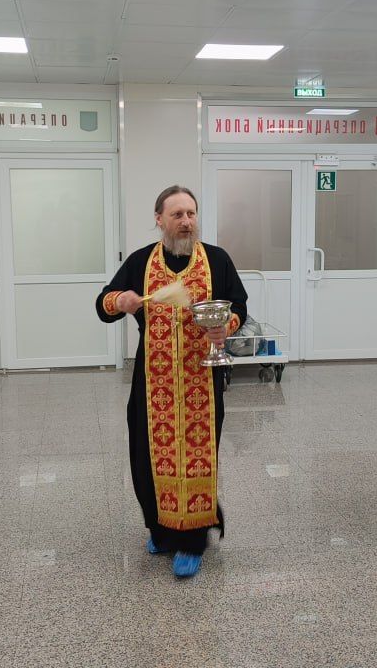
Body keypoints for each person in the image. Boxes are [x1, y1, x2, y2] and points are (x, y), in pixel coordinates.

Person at [95, 186, 248, 577]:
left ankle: (192, 543)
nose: (186, 222)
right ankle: (160, 531)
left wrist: (226, 327)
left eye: (191, 213)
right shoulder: (140, 261)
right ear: (159, 219)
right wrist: (120, 302)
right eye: (177, 214)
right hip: (153, 383)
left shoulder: (216, 260)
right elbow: (103, 304)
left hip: (202, 383)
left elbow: (239, 307)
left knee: (197, 459)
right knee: (147, 456)